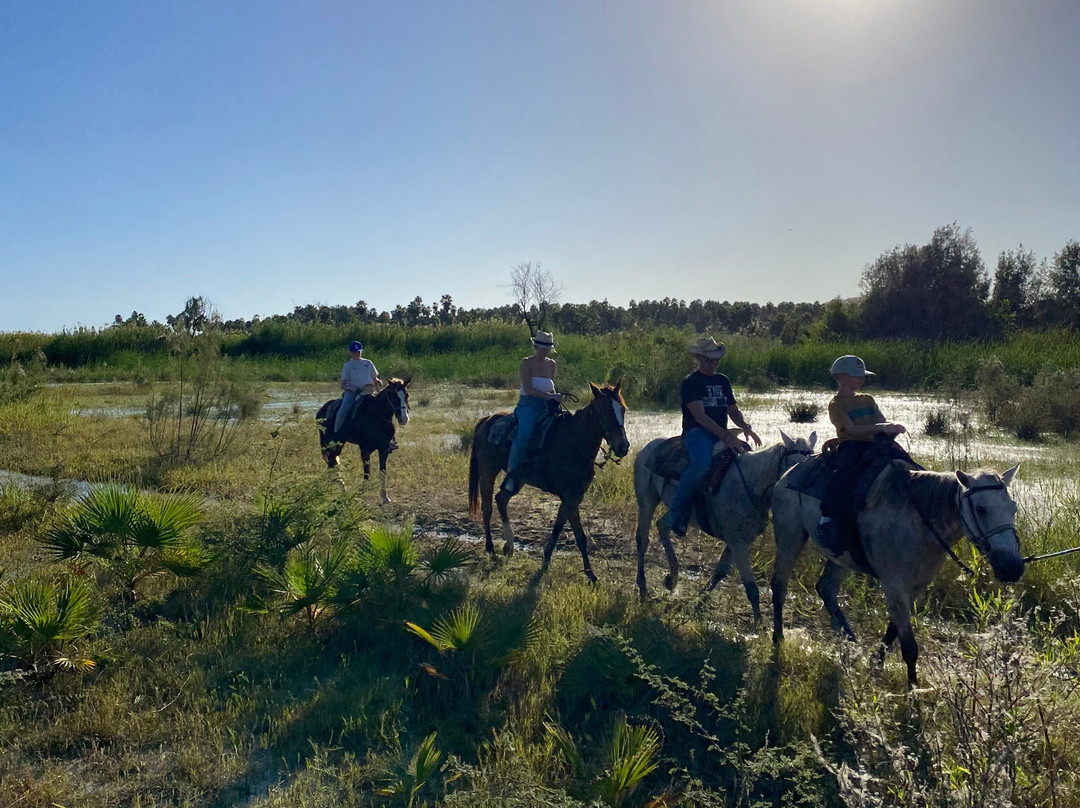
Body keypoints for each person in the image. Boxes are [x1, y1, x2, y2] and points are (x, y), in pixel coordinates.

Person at [658, 336, 761, 537]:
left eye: (716, 360)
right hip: (697, 434)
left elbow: (733, 410)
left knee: (747, 460)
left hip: (721, 433)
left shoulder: (723, 380)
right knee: (701, 464)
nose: (713, 364)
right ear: (699, 358)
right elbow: (699, 416)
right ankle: (676, 512)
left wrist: (745, 426)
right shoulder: (691, 382)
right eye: (709, 360)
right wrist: (726, 435)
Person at [816, 355, 910, 553]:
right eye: (856, 376)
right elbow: (851, 429)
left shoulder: (868, 399)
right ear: (841, 377)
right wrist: (882, 427)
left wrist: (890, 429)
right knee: (845, 476)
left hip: (876, 444)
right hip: (852, 446)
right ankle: (828, 516)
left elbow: (881, 420)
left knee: (907, 464)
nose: (861, 380)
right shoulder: (836, 405)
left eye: (862, 376)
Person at [501, 331, 562, 493]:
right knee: (525, 434)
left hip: (547, 404)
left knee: (565, 429)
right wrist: (547, 396)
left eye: (547, 347)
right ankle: (511, 475)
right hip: (528, 405)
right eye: (542, 347)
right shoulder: (526, 363)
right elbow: (528, 389)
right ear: (535, 346)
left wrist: (555, 397)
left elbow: (551, 385)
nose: (544, 350)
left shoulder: (552, 364)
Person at [334, 340, 384, 433]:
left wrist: (378, 381)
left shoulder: (368, 363)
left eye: (358, 352)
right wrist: (352, 388)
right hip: (353, 392)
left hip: (369, 390)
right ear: (350, 352)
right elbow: (343, 384)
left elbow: (374, 377)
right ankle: (337, 431)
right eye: (354, 352)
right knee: (343, 409)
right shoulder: (348, 366)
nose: (357, 354)